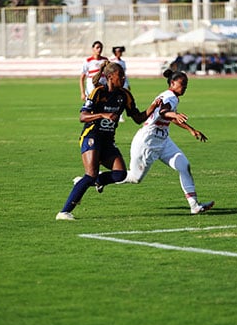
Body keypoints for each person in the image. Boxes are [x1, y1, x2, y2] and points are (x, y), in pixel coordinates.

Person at [56, 61, 162, 220]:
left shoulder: (124, 95)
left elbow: (137, 118)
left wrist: (154, 107)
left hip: (108, 140)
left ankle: (87, 181)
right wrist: (102, 115)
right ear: (110, 77)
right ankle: (64, 212)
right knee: (90, 174)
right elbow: (82, 117)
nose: (124, 78)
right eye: (121, 75)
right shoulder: (98, 92)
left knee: (120, 174)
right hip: (92, 136)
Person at [119, 69, 214, 215]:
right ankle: (97, 178)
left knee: (184, 165)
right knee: (135, 178)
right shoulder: (170, 97)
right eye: (183, 84)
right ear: (172, 83)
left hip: (163, 140)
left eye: (186, 84)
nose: (185, 87)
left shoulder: (172, 96)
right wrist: (174, 114)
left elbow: (169, 117)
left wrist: (190, 129)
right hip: (148, 141)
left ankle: (194, 205)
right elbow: (164, 111)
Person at [110, 45, 129, 122]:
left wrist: (127, 83)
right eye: (118, 51)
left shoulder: (123, 62)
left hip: (123, 82)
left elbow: (124, 74)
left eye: (121, 51)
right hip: (115, 83)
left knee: (122, 99)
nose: (120, 53)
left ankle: (120, 115)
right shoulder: (112, 61)